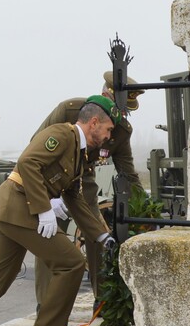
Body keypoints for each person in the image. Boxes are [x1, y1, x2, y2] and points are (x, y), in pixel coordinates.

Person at [0, 96, 119, 326]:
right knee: (72, 263)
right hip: (21, 208)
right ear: (94, 123)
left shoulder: (80, 153)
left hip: (14, 211)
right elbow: (28, 163)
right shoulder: (62, 135)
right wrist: (44, 209)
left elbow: (73, 196)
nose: (109, 136)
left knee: (1, 274)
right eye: (109, 129)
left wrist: (100, 234)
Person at [34, 72, 144, 306]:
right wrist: (46, 198)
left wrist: (144, 209)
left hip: (83, 182)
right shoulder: (71, 110)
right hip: (53, 181)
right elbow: (36, 147)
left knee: (97, 236)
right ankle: (45, 304)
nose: (117, 117)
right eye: (115, 108)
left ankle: (102, 300)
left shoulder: (122, 131)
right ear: (105, 95)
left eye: (123, 112)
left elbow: (128, 172)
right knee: (47, 234)